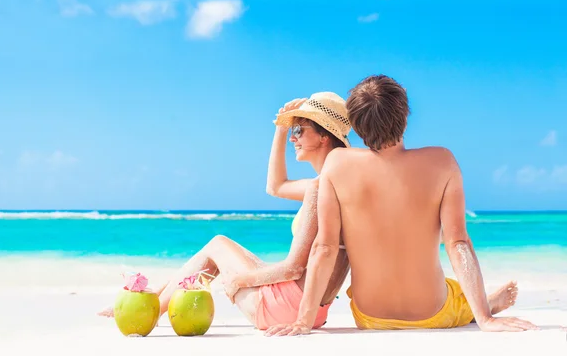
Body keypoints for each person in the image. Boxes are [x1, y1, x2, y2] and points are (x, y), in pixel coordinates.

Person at [264, 75, 538, 336]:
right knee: (454, 296)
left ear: (356, 125)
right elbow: (458, 244)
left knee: (446, 290)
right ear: (405, 119)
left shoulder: (337, 164)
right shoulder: (442, 162)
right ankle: (484, 306)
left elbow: (324, 248)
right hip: (432, 313)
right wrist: (486, 321)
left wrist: (304, 319)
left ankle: (482, 304)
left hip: (369, 317)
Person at [98, 92, 353, 331]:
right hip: (315, 309)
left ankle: (147, 312)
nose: (292, 138)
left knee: (218, 244)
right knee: (218, 250)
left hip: (289, 309)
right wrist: (280, 128)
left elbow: (293, 270)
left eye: (298, 129)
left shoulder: (319, 188)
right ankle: (152, 300)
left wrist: (238, 281)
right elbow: (276, 187)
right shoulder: (337, 186)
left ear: (324, 136)